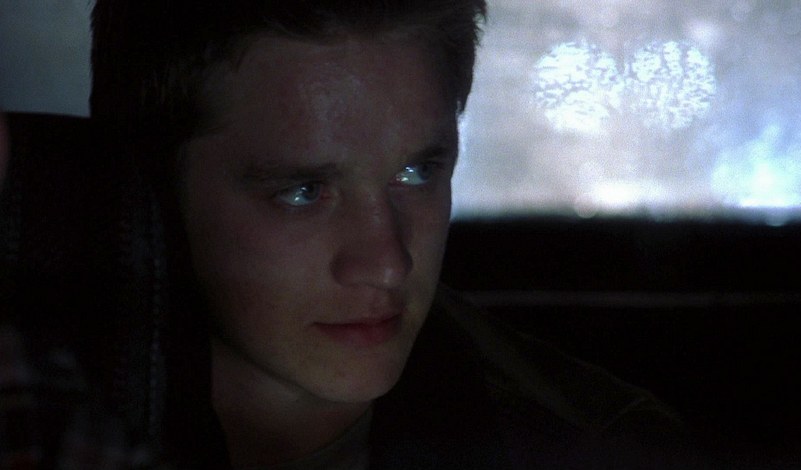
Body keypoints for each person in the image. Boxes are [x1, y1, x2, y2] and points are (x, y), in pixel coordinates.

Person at [1, 1, 696, 468]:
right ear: (149, 177)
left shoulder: (595, 448)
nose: (387, 262)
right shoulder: (38, 414)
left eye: (417, 173)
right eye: (303, 192)